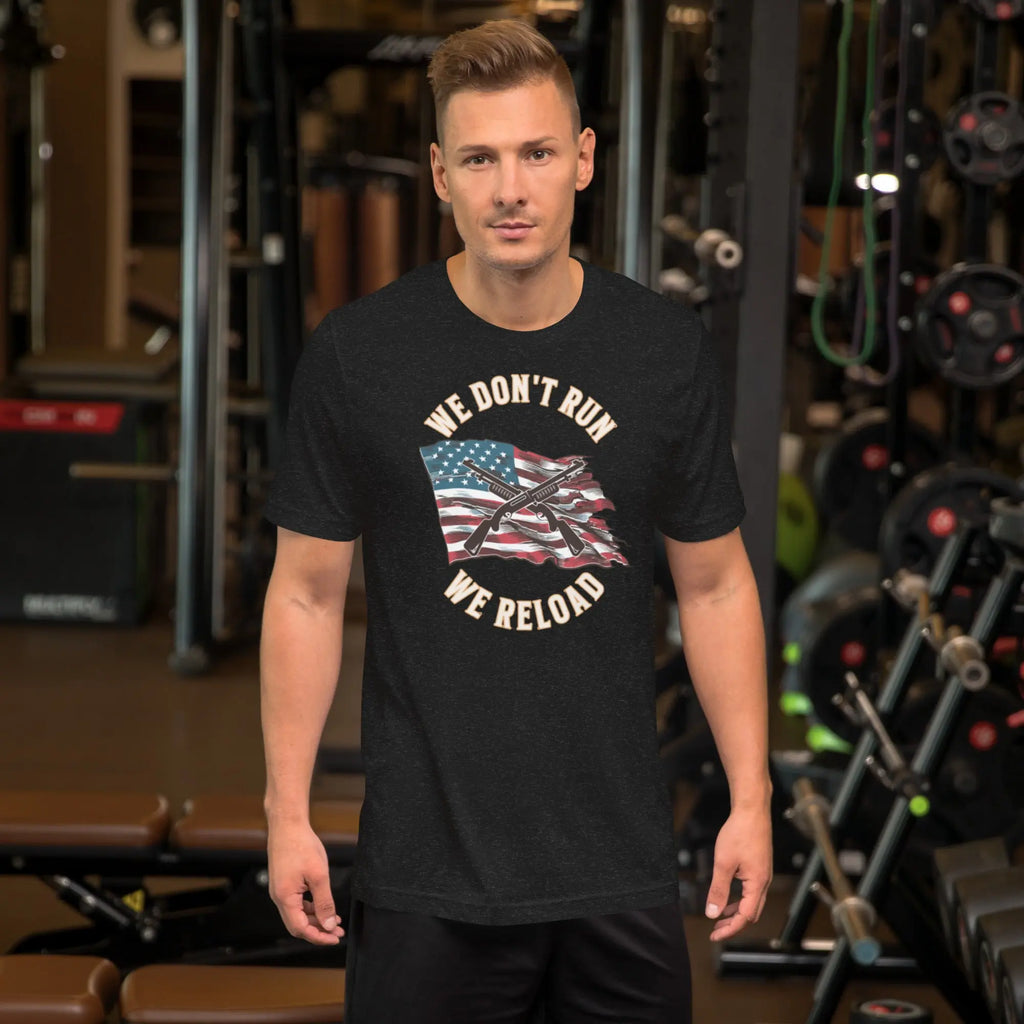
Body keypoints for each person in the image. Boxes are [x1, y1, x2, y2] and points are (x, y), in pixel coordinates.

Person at [260, 17, 771, 1024]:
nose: (510, 189)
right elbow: (306, 593)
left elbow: (715, 583)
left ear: (582, 161)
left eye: (536, 152)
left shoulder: (661, 354)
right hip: (426, 869)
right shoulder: (361, 356)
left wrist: (749, 801)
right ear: (440, 175)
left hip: (617, 864)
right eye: (480, 159)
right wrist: (287, 813)